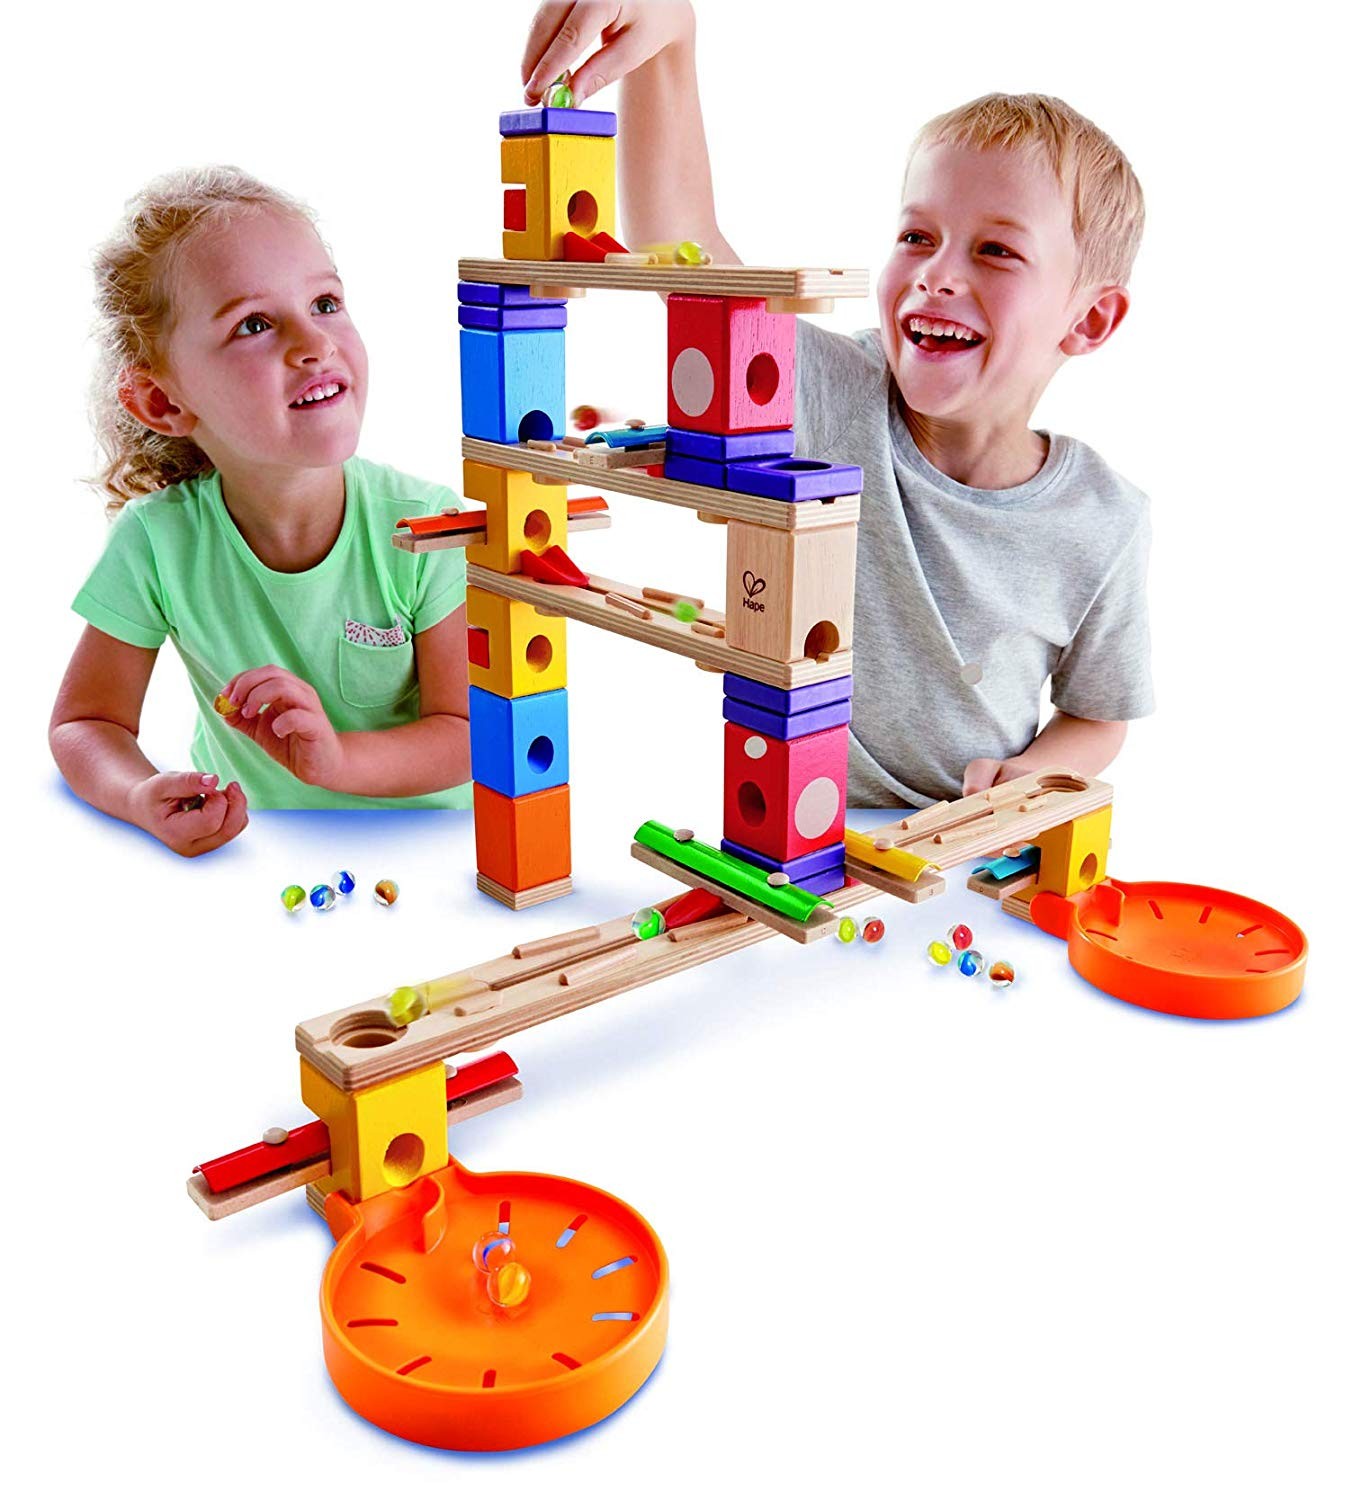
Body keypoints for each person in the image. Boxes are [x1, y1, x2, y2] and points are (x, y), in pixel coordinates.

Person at [519, 3, 1154, 806]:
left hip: (956, 848)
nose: (936, 274)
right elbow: (685, 254)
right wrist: (670, 45)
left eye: (995, 250)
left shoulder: (1103, 521)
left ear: (1088, 319)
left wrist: (1026, 779)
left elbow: (1097, 714)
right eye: (917, 237)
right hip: (788, 824)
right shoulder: (834, 389)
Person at [51, 167, 472, 855]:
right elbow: (86, 723)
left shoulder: (426, 525)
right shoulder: (158, 542)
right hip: (257, 858)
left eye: (325, 303)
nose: (315, 344)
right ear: (162, 401)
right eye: (254, 324)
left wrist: (338, 760)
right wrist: (137, 795)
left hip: (429, 854)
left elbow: (471, 734)